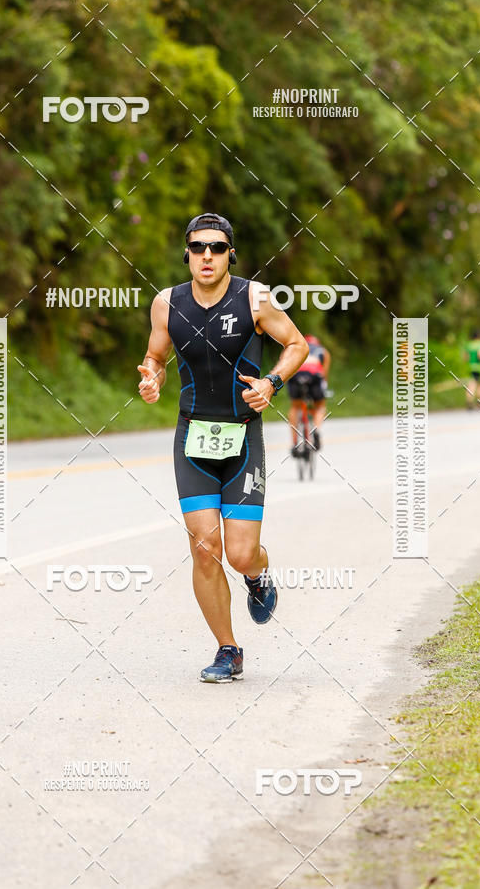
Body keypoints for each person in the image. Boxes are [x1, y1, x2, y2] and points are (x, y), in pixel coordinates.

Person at [137, 213, 308, 683]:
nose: (206, 256)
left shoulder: (254, 297)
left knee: (239, 553)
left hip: (242, 439)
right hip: (192, 437)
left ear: (230, 251)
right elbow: (157, 354)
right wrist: (153, 375)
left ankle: (257, 575)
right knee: (204, 547)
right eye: (197, 248)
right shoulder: (166, 304)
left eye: (216, 247)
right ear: (187, 253)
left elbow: (296, 345)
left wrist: (272, 383)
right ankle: (227, 649)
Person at [286, 334, 330, 453]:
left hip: (295, 376)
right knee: (320, 405)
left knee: (295, 407)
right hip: (314, 374)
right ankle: (316, 430)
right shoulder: (323, 351)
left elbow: (283, 364)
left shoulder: (294, 348)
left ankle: (294, 443)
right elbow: (323, 375)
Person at [464, 329, 480, 409]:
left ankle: (469, 401)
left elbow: (465, 358)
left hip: (471, 367)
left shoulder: (469, 345)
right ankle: (479, 403)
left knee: (471, 383)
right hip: (479, 368)